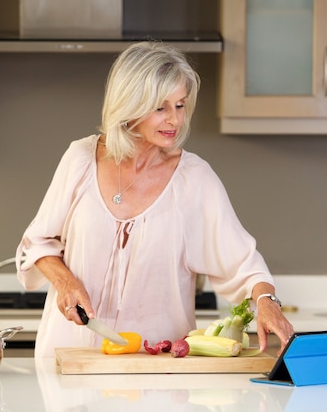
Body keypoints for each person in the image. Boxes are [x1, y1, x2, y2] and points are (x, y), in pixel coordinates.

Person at [16, 41, 294, 358]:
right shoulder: (80, 159)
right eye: (160, 108)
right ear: (129, 106)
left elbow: (244, 267)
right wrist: (65, 282)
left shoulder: (195, 180)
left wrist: (265, 302)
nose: (174, 120)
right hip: (69, 359)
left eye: (180, 105)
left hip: (155, 370)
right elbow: (37, 242)